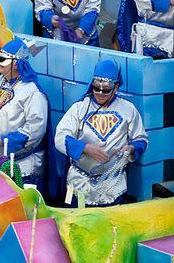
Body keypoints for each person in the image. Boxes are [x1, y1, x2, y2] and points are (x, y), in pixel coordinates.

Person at [54, 60, 148, 207]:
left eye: (106, 90)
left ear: (116, 87)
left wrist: (131, 149)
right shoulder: (80, 108)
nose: (100, 93)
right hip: (79, 184)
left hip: (113, 187)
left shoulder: (128, 109)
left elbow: (141, 139)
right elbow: (60, 137)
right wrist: (85, 148)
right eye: (96, 88)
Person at [0, 39, 48, 184]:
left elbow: (35, 129)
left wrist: (3, 141)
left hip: (22, 166)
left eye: (3, 59)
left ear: (16, 63)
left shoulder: (32, 92)